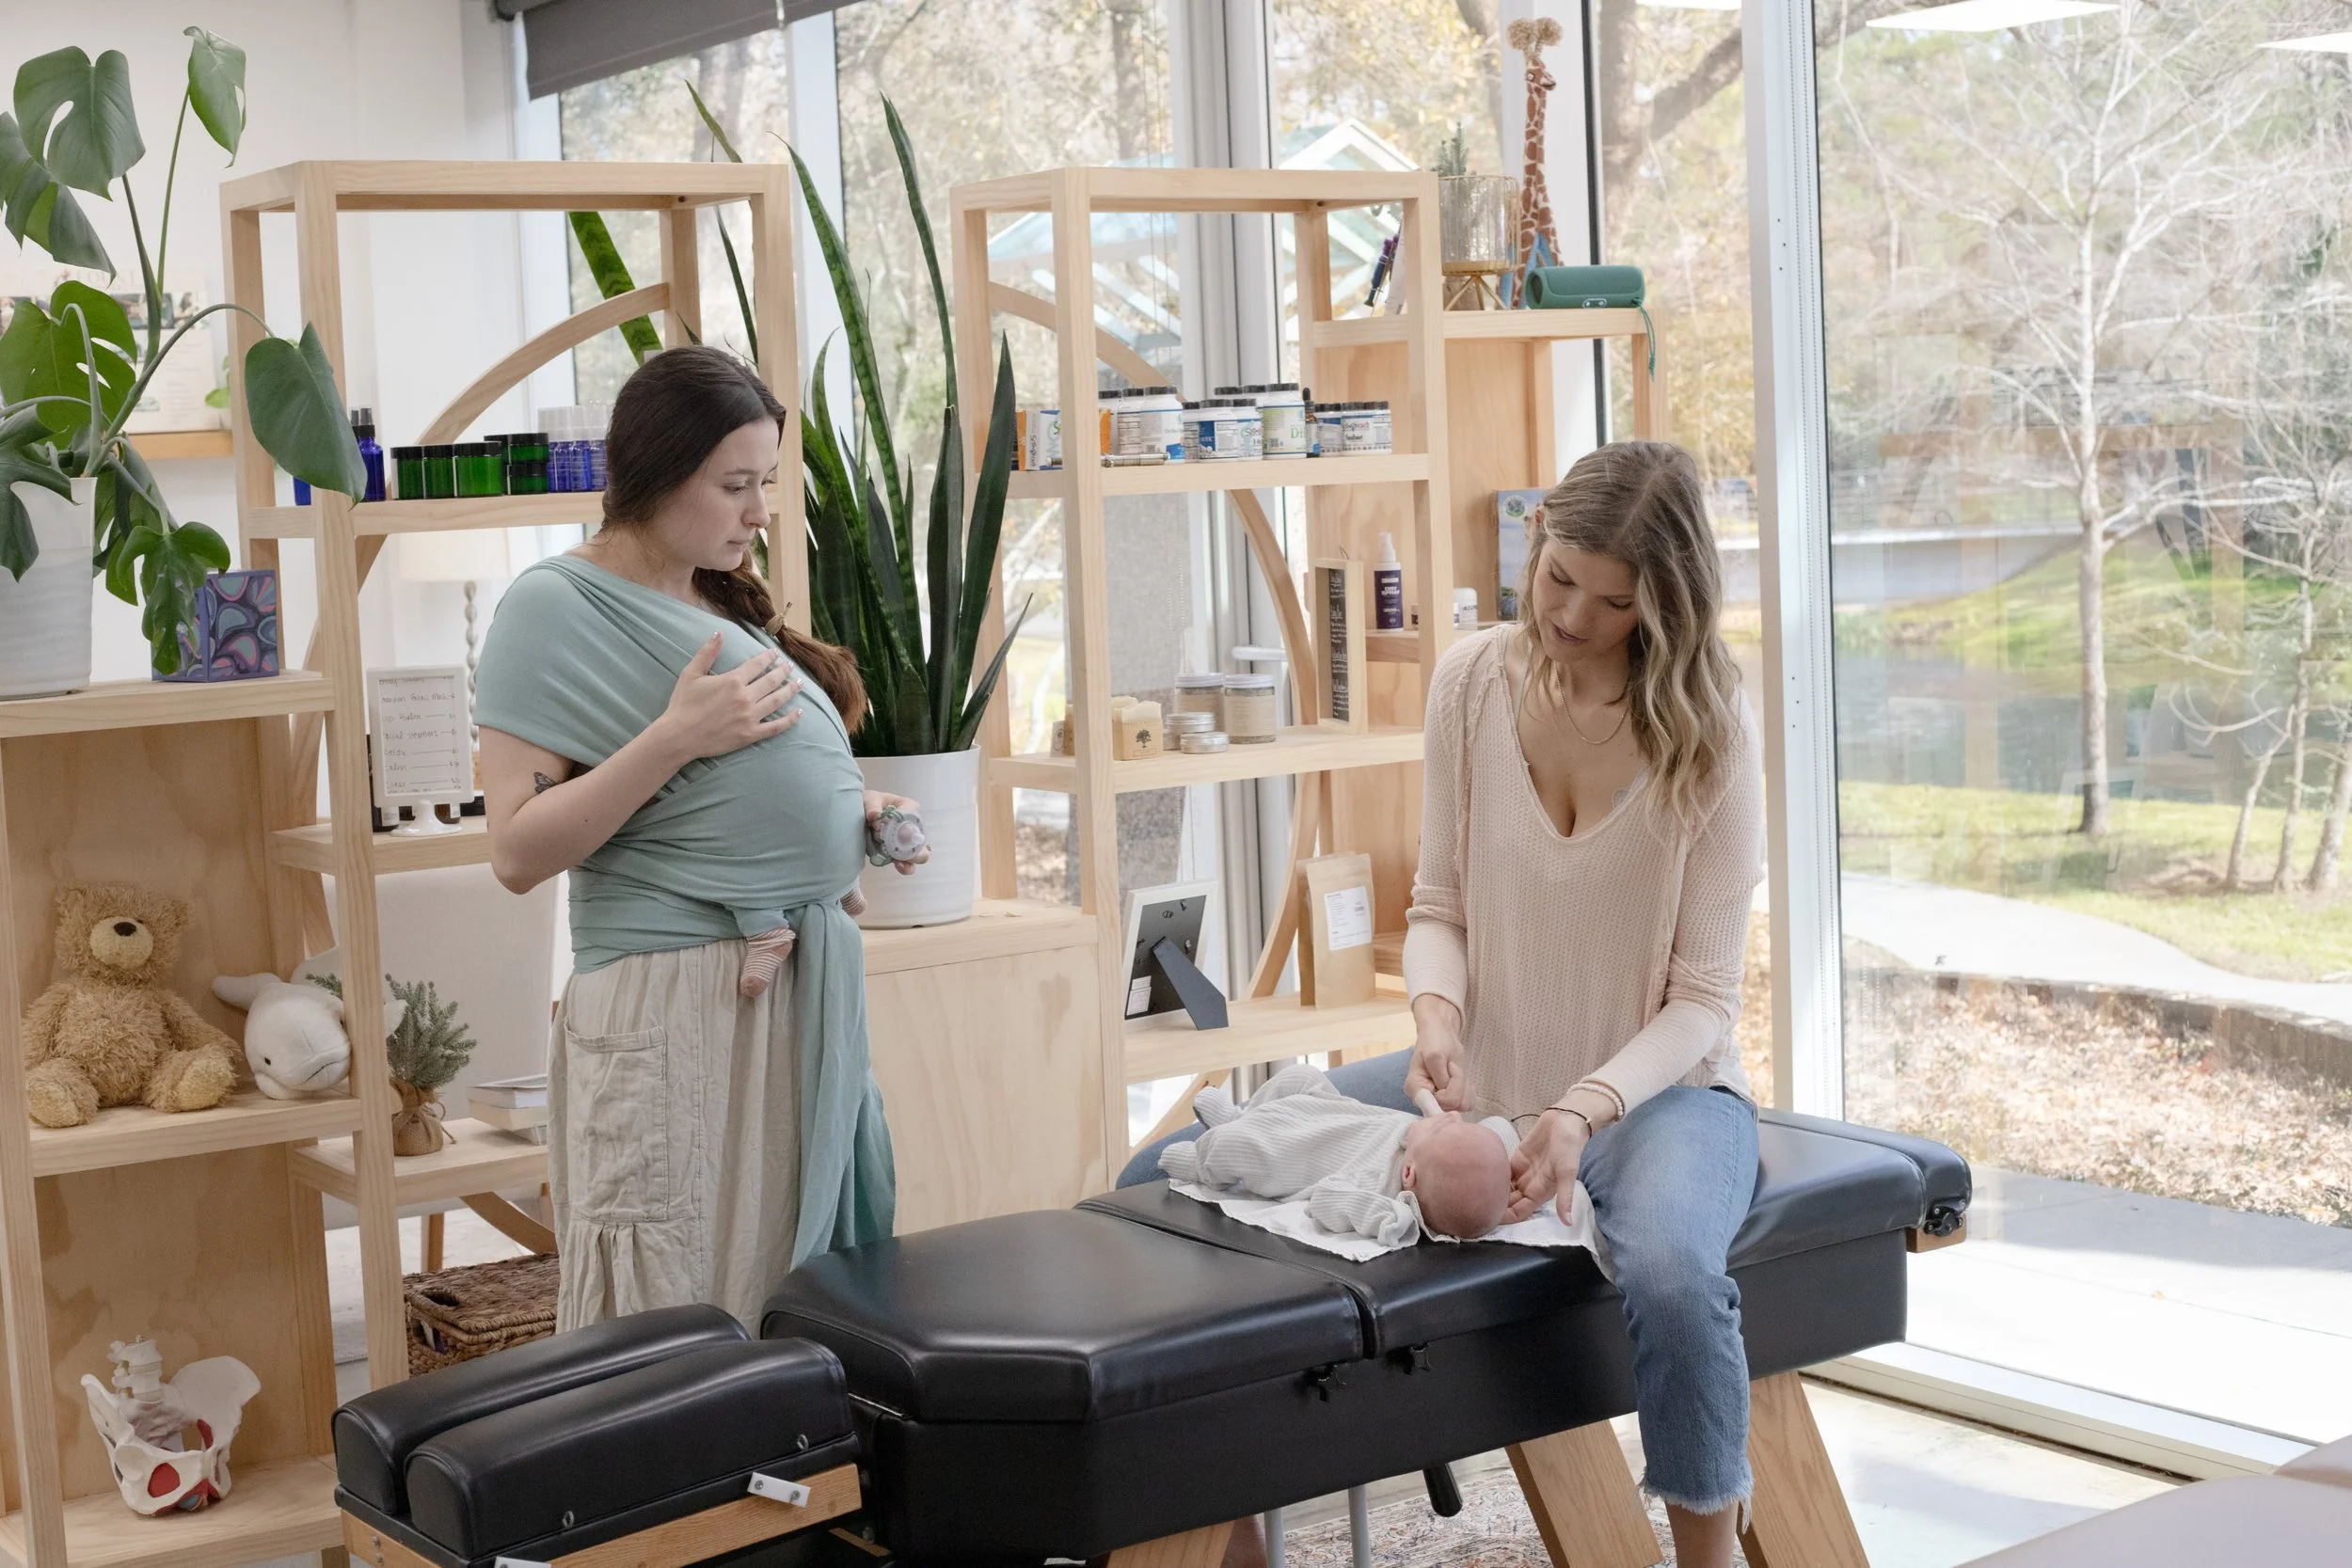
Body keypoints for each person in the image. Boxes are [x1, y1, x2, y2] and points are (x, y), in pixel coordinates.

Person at [472, 344, 918, 1332]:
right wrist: (676, 738)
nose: (760, 511)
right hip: (672, 1003)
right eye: (735, 485)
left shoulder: (715, 596)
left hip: (785, 992)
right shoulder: (550, 606)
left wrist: (858, 812)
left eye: (765, 483)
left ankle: (802, 1488)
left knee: (783, 1297)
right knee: (673, 1295)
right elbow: (516, 850)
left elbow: (742, 786)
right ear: (656, 474)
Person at [1406, 439, 1762, 1567]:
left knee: (1671, 1272)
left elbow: (1704, 998)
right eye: (1560, 576)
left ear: (1664, 605)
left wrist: (1583, 1107)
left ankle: (1705, 1555)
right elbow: (1438, 905)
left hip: (1661, 1098)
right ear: (1536, 541)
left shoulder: (1710, 729)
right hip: (1497, 1083)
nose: (1571, 615)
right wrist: (1435, 1022)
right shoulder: (1468, 680)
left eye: (1615, 602)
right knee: (1205, 1164)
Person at [1159, 1063, 1512, 1242]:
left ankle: (1201, 1162)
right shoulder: (1432, 1151)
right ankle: (1243, 1116)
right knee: (1300, 1075)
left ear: (1409, 1174)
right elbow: (1498, 1134)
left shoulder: (1377, 1187)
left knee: (1239, 1147)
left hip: (1291, 1149)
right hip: (1328, 1110)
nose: (1449, 1116)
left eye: (1441, 1127)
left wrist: (1384, 1217)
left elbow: (1327, 1201)